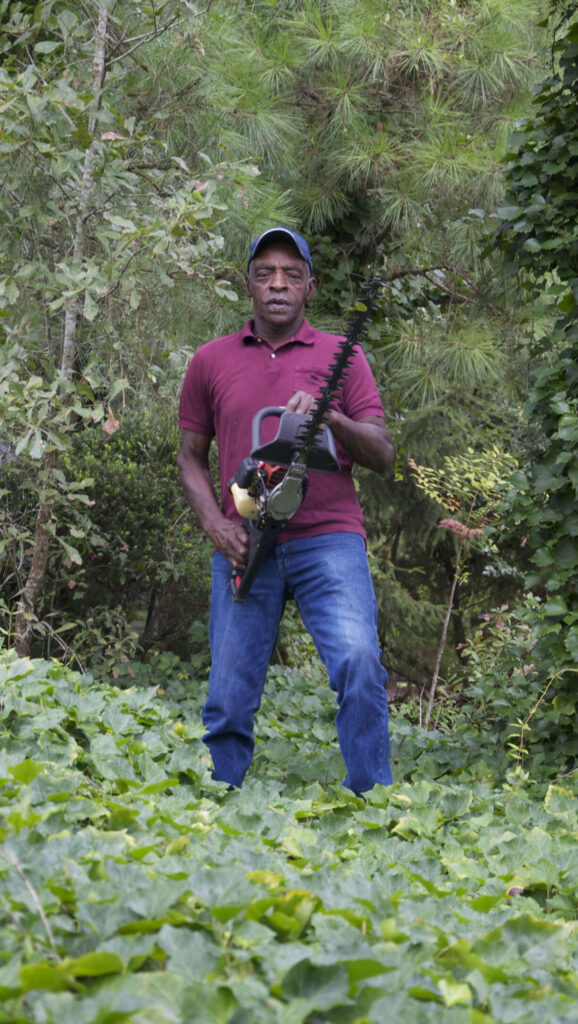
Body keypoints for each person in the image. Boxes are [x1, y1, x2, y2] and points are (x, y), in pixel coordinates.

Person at [177, 227, 394, 794]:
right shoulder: (210, 360)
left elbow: (382, 453)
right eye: (266, 274)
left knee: (359, 662)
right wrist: (216, 524)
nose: (278, 284)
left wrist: (332, 419)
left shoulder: (344, 357)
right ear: (248, 284)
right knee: (228, 693)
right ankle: (219, 802)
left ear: (310, 288)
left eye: (292, 275)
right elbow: (189, 457)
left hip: (329, 538)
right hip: (244, 541)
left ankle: (374, 800)